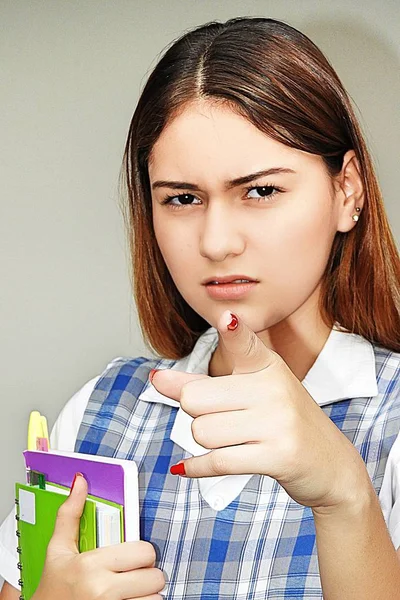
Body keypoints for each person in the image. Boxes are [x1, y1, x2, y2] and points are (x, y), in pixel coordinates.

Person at [1, 15, 400, 600]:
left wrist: (345, 494)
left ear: (348, 191)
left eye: (260, 190)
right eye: (183, 199)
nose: (216, 242)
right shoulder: (96, 417)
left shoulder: (389, 421)